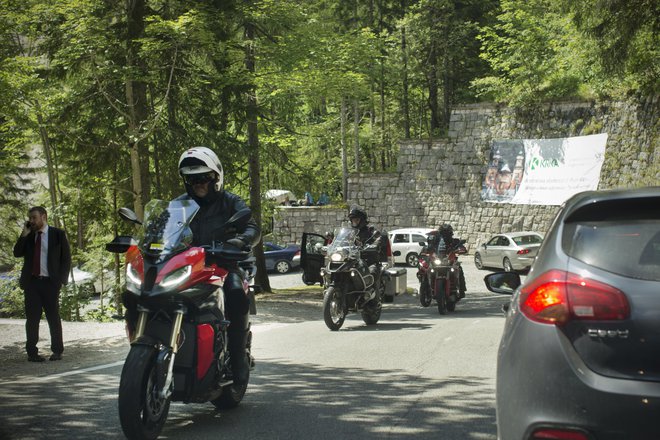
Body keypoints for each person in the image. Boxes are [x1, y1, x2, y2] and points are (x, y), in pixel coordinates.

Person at [123, 146, 260, 385]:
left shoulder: (230, 202)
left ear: (215, 177)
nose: (198, 183)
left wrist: (242, 239)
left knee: (237, 294)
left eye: (203, 177)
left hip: (222, 263)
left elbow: (251, 225)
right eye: (192, 178)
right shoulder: (178, 205)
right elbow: (159, 229)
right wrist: (147, 239)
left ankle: (238, 359)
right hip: (185, 264)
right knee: (137, 292)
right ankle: (145, 348)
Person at [13, 206, 71, 362]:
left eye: (34, 218)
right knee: (32, 319)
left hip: (50, 283)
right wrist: (24, 235)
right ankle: (32, 353)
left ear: (43, 217)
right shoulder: (29, 235)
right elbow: (17, 253)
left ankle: (57, 351)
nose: (31, 221)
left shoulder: (58, 234)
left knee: (53, 317)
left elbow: (66, 259)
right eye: (30, 218)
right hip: (31, 284)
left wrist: (60, 281)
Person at [347, 206, 389, 285]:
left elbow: (378, 238)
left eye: (357, 220)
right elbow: (342, 241)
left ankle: (373, 295)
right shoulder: (350, 233)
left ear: (362, 220)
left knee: (372, 273)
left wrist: (374, 245)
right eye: (353, 220)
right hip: (353, 261)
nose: (354, 222)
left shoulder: (370, 231)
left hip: (369, 260)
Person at [436, 223, 467, 297]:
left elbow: (462, 247)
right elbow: (430, 247)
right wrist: (427, 250)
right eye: (443, 233)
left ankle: (462, 289)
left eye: (447, 233)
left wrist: (461, 249)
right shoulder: (436, 242)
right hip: (438, 261)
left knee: (459, 269)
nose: (445, 235)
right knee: (427, 269)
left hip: (451, 261)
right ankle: (426, 288)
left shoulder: (455, 241)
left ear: (450, 233)